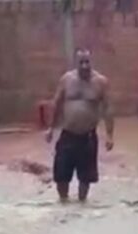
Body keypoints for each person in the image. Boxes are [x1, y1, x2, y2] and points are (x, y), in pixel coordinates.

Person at [45, 48, 114, 202]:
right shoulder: (66, 80)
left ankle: (82, 207)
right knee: (61, 175)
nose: (84, 66)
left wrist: (109, 135)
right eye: (81, 62)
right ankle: (63, 204)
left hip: (88, 136)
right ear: (76, 63)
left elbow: (108, 108)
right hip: (68, 134)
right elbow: (57, 104)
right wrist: (50, 128)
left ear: (91, 62)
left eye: (87, 62)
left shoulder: (100, 82)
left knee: (86, 178)